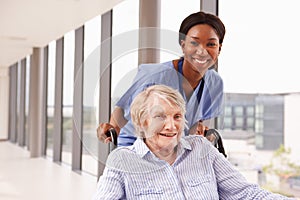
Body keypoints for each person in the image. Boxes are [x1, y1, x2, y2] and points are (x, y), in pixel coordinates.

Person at [93, 85, 295, 200]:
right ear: (141, 122)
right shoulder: (122, 161)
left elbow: (245, 194)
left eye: (177, 117)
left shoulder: (201, 148)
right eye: (160, 117)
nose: (172, 126)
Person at [97, 11, 225, 147]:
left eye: (211, 44)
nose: (202, 51)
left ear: (219, 49)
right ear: (183, 46)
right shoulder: (155, 76)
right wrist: (111, 129)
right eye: (194, 43)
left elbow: (196, 123)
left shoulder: (215, 83)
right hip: (136, 147)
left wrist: (200, 129)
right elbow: (123, 110)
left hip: (173, 151)